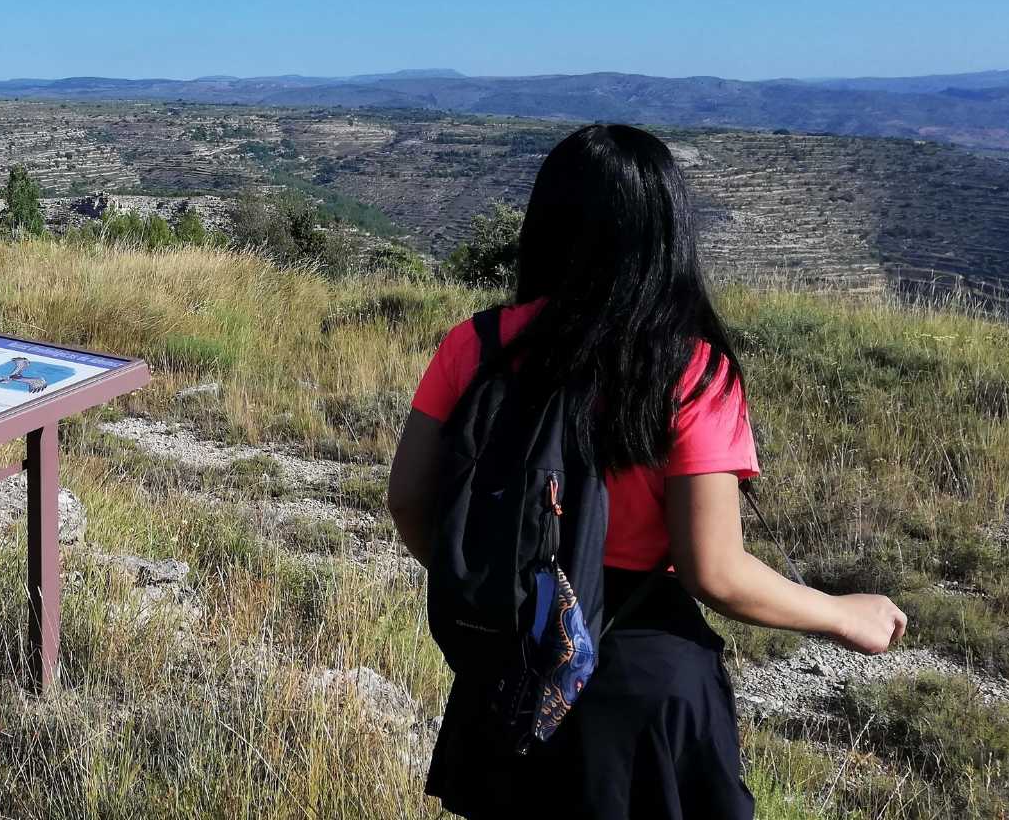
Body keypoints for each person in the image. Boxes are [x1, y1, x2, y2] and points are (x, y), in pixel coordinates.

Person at [385, 124, 907, 819]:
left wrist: (501, 587)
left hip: (512, 671)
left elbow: (408, 500)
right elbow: (714, 572)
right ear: (668, 234)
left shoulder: (474, 344)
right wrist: (843, 616)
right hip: (641, 680)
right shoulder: (691, 372)